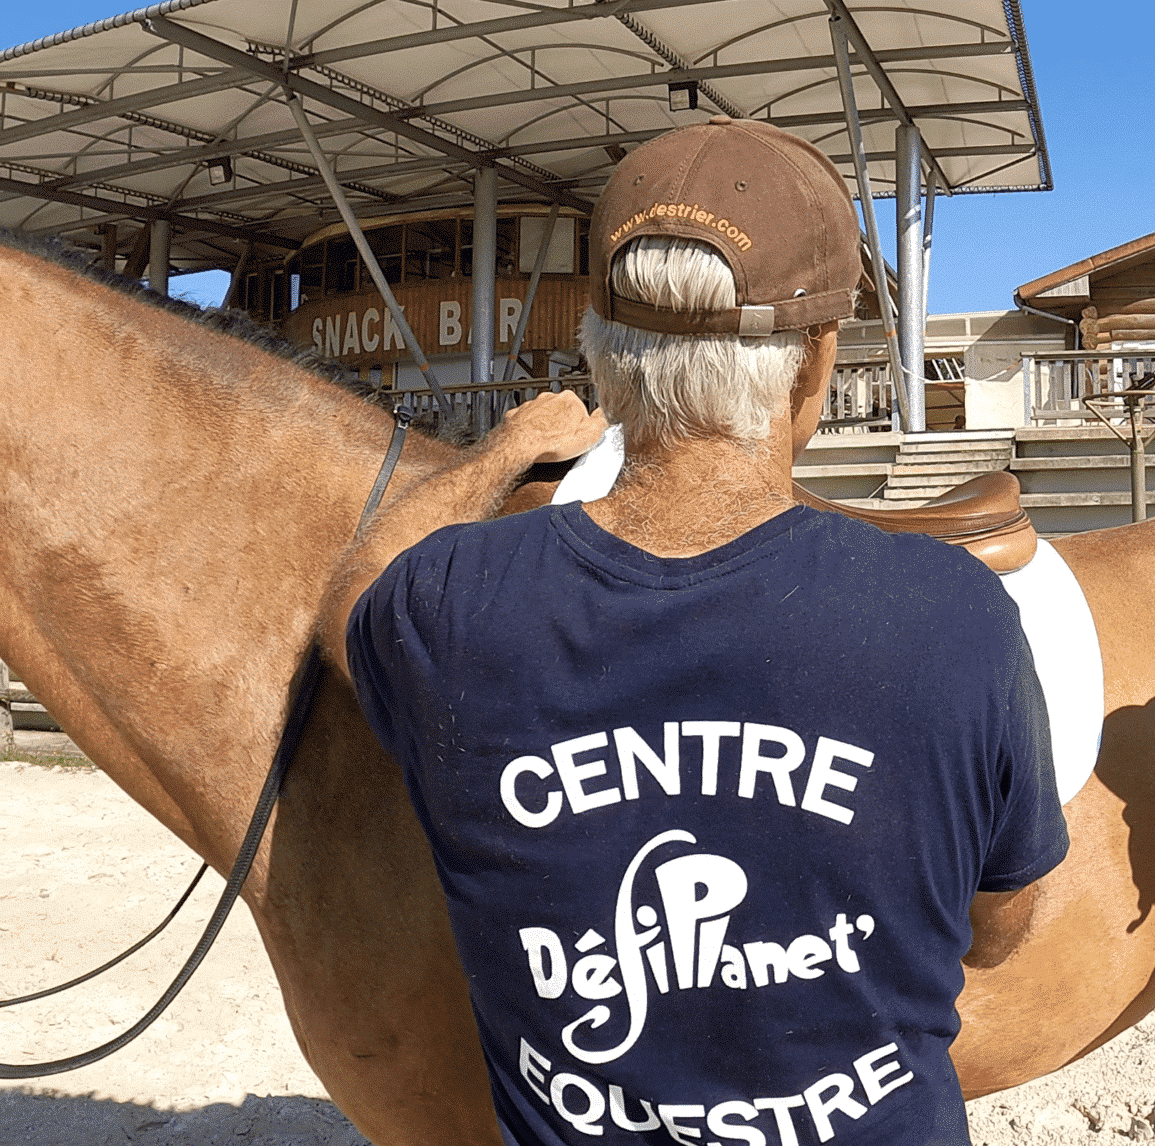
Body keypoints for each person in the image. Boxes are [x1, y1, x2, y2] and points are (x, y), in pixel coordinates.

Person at [318, 118, 1068, 1146]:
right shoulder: (956, 614)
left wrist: (505, 449)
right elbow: (1002, 928)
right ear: (814, 366)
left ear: (600, 349)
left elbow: (354, 591)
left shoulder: (445, 601)